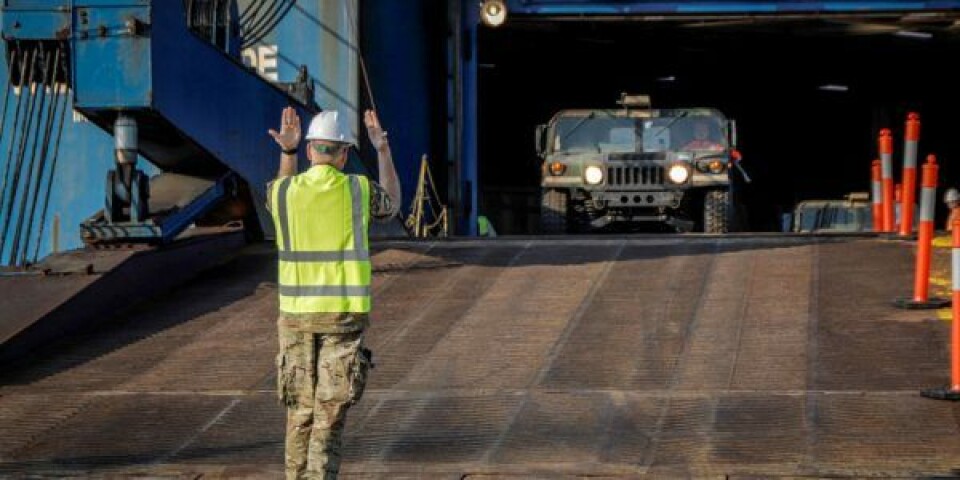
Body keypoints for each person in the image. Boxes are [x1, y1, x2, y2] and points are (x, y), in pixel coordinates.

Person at [267, 106, 400, 479]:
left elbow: (282, 186)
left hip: (295, 318)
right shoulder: (358, 190)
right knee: (329, 414)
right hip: (342, 318)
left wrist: (287, 152)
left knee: (299, 412)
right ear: (344, 154)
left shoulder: (282, 193)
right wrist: (382, 150)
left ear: (311, 150)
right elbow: (392, 205)